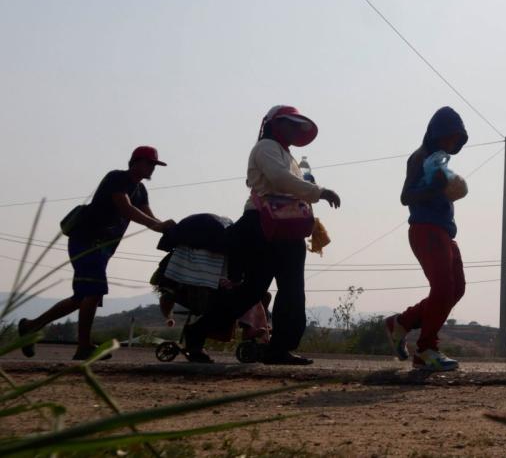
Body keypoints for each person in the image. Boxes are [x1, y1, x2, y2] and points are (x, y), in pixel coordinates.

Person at [183, 105, 341, 365]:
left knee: (292, 289)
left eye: (296, 126)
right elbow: (280, 180)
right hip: (261, 223)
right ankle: (198, 332)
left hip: (285, 224)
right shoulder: (265, 148)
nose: (294, 130)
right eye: (290, 124)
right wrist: (319, 191)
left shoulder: (287, 156)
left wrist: (311, 193)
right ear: (274, 125)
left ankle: (280, 347)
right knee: (253, 290)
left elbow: (290, 185)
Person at [19, 147, 176, 360]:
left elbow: (149, 217)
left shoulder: (140, 190)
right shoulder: (117, 178)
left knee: (82, 296)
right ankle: (83, 347)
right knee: (93, 292)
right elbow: (125, 208)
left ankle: (31, 326)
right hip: (87, 241)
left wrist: (167, 227)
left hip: (103, 248)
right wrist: (156, 225)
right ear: (136, 162)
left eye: (154, 165)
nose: (152, 169)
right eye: (150, 164)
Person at [383, 107, 470, 372]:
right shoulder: (419, 158)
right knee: (443, 288)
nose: (451, 143)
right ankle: (426, 349)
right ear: (436, 134)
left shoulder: (439, 161)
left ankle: (402, 322)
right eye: (447, 137)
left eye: (456, 140)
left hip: (444, 230)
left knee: (456, 289)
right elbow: (405, 197)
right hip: (426, 229)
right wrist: (434, 189)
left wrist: (450, 186)